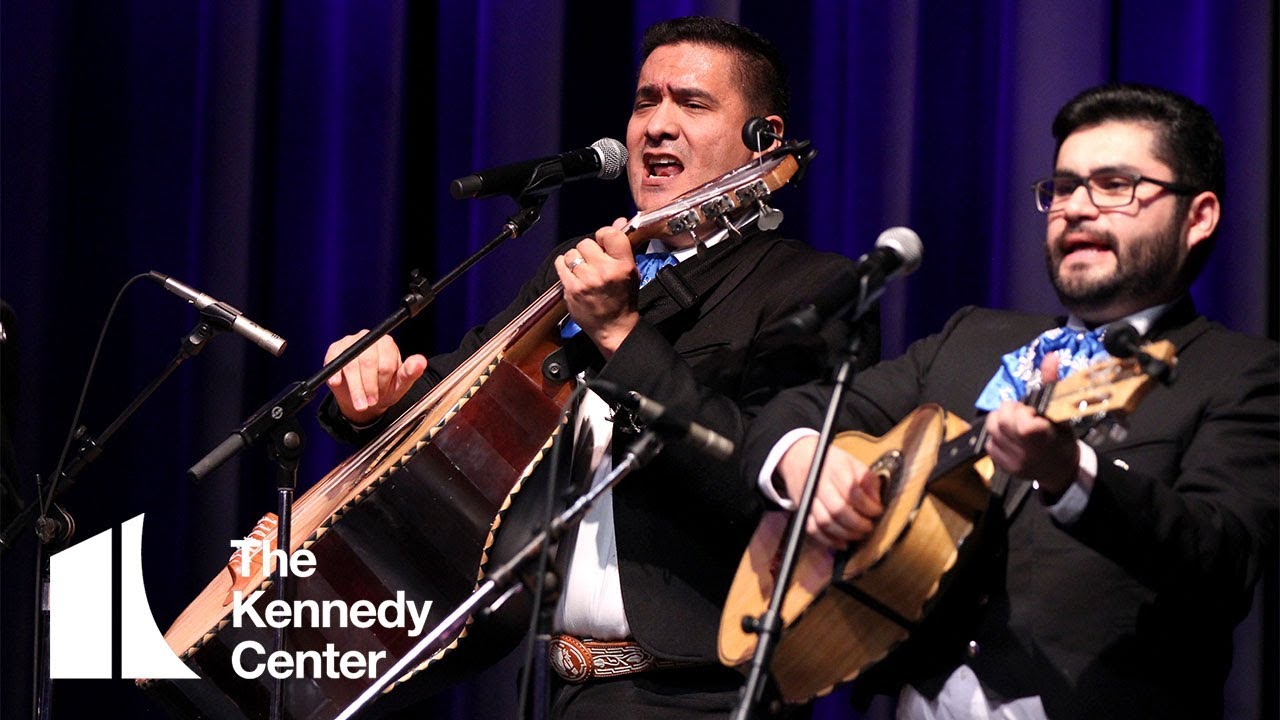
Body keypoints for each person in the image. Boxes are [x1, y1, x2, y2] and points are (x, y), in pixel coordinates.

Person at [320, 16, 868, 718]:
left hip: (701, 691)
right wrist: (370, 396)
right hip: (553, 685)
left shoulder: (809, 287)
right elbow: (461, 395)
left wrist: (620, 332)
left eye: (692, 104)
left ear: (764, 136)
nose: (657, 126)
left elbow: (766, 481)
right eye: (646, 101)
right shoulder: (583, 268)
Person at [745, 83, 1278, 719]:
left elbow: (1221, 560)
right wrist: (806, 460)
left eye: (1114, 185)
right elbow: (790, 411)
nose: (1076, 209)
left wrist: (1073, 475)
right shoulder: (972, 338)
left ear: (1200, 216)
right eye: (1062, 187)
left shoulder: (1240, 373)